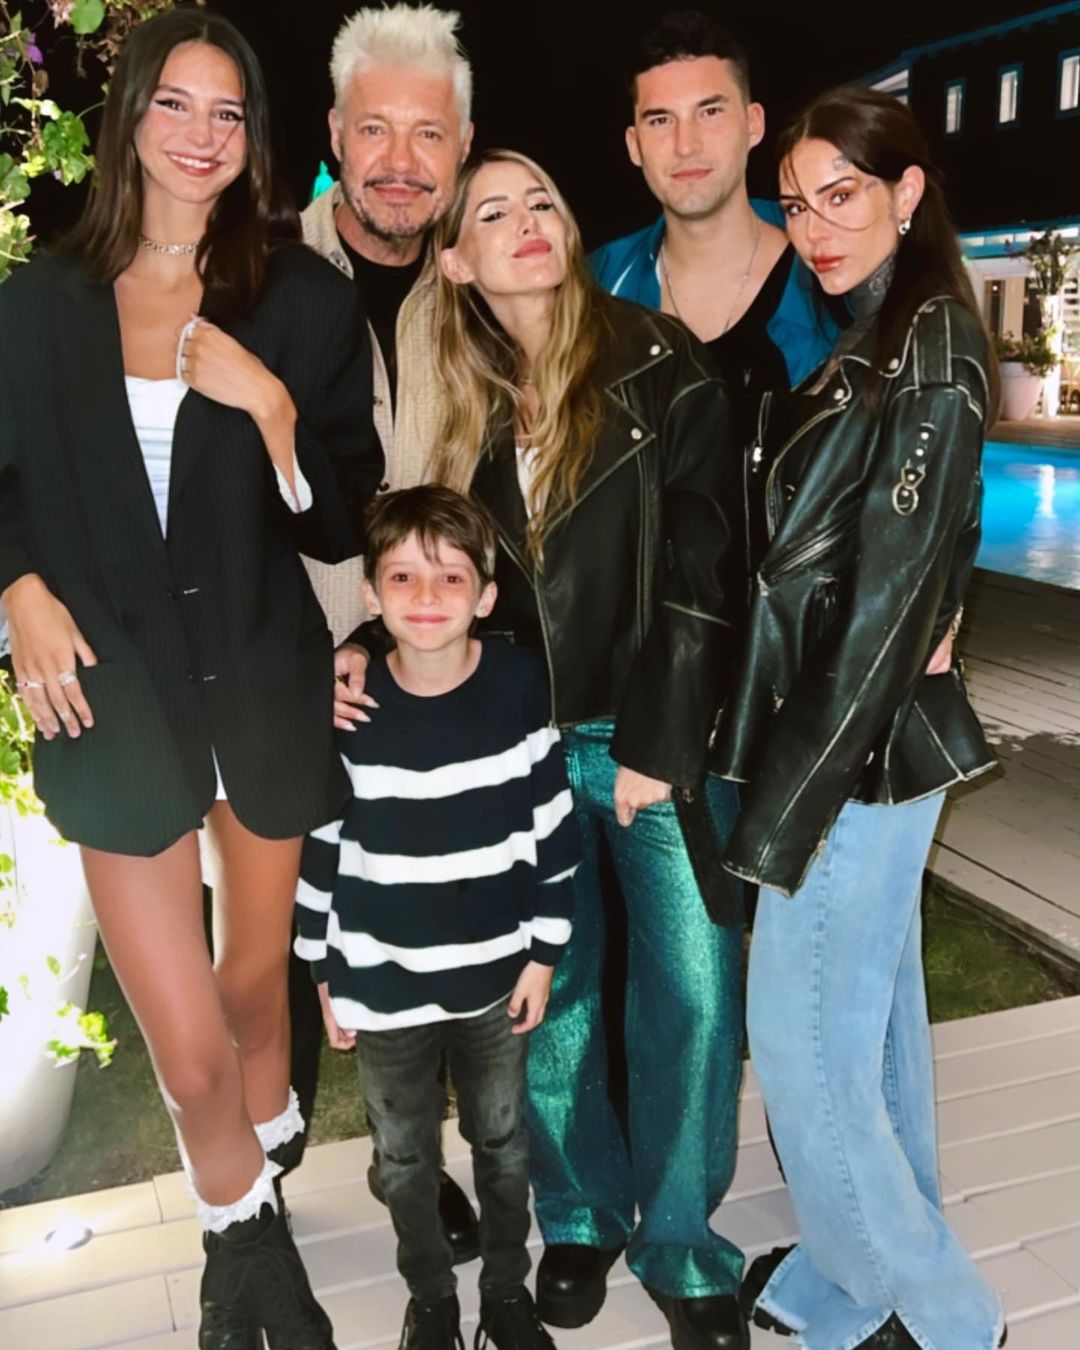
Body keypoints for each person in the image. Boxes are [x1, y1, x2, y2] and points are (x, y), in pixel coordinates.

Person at [0, 10, 382, 1347]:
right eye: (176, 103)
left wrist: (271, 410)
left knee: (251, 993)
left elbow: (343, 518)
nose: (202, 135)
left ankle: (253, 1191)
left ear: (253, 136)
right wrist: (14, 588)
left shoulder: (302, 297)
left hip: (261, 690)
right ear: (131, 118)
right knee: (184, 1035)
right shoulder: (37, 303)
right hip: (110, 702)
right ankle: (246, 1241)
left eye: (229, 112)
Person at [432, 149, 749, 1350]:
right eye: (494, 212)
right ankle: (579, 1216)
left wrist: (661, 736)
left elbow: (708, 565)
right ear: (456, 259)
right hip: (520, 748)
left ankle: (683, 1239)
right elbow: (441, 577)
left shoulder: (661, 363)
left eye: (542, 202)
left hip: (647, 736)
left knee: (695, 991)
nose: (527, 222)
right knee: (547, 993)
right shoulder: (459, 398)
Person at [713, 86, 1006, 1350]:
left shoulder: (925, 347)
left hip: (856, 752)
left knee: (803, 1040)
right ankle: (854, 1279)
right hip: (865, 739)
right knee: (869, 1031)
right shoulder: (885, 335)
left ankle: (943, 1316)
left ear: (907, 191)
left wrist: (792, 798)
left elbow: (885, 612)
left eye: (843, 195)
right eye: (797, 204)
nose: (817, 228)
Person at [295, 484, 578, 1350]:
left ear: (486, 597)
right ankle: (431, 1298)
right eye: (403, 577)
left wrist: (543, 953)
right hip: (382, 986)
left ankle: (505, 1292)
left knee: (503, 1143)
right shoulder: (349, 707)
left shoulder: (518, 685)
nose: (426, 597)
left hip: (495, 978)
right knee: (404, 1155)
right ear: (371, 595)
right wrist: (320, 971)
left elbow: (553, 827)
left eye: (451, 577)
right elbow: (323, 844)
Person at [293, 1, 482, 1260]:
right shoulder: (257, 274)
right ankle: (256, 1190)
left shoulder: (484, 281)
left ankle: (411, 1156)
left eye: (428, 134)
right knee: (286, 941)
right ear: (334, 134)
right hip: (296, 665)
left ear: (461, 147)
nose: (401, 161)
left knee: (435, 925)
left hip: (442, 666)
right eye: (376, 130)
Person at [591, 10, 842, 456]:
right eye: (660, 120)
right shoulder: (597, 286)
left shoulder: (834, 272)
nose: (686, 144)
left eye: (709, 111)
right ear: (634, 145)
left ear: (754, 124)